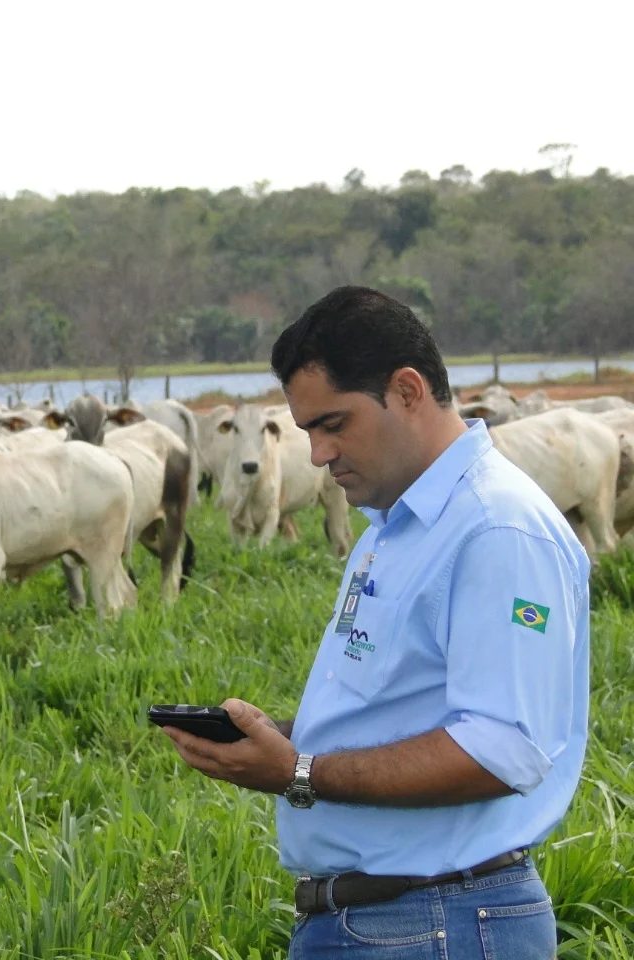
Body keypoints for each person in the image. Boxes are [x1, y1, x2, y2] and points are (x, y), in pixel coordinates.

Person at [161, 286, 589, 958]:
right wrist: (290, 738)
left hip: (438, 921)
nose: (318, 455)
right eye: (307, 432)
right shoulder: (394, 527)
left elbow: (502, 749)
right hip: (392, 919)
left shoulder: (495, 529)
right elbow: (407, 707)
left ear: (408, 391)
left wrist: (300, 771)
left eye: (334, 424)